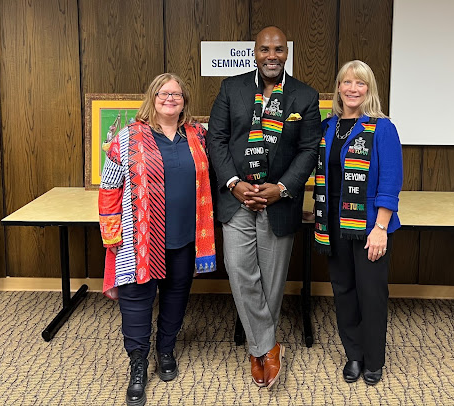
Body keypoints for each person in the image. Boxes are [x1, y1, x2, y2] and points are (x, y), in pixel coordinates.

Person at [207, 26, 322, 389]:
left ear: (286, 53)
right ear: (254, 53)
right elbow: (217, 139)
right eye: (264, 50)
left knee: (271, 280)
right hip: (236, 198)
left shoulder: (304, 95)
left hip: (279, 201)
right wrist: (234, 183)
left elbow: (308, 150)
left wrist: (283, 188)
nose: (271, 56)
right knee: (240, 270)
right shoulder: (231, 87)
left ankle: (260, 350)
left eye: (277, 50)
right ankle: (268, 346)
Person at [98, 73, 216, 406]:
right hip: (139, 239)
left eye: (177, 94)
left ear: (185, 101)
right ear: (152, 97)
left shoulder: (198, 136)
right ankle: (137, 364)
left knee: (176, 295)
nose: (170, 98)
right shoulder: (128, 137)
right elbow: (109, 187)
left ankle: (165, 350)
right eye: (164, 93)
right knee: (136, 299)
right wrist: (111, 233)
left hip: (184, 236)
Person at [314, 60, 402, 385]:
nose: (353, 89)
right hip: (333, 224)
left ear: (369, 89)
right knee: (344, 290)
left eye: (360, 83)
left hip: (369, 227)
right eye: (347, 82)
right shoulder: (327, 126)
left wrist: (380, 228)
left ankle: (374, 359)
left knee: (371, 292)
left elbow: (391, 181)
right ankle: (354, 353)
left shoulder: (381, 127)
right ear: (338, 88)